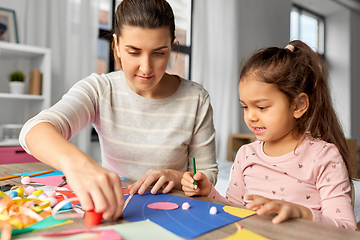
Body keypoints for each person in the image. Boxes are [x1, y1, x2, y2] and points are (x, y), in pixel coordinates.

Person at [20, 0, 217, 221]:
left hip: (177, 215)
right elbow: (32, 131)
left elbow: (207, 174)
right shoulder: (100, 89)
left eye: (159, 53)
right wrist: (80, 165)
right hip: (119, 210)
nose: (146, 68)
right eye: (133, 52)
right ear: (116, 45)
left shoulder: (196, 98)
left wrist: (177, 176)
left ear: (171, 46)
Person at [181, 40, 357, 230]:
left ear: (298, 106)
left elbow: (346, 229)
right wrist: (209, 192)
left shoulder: (323, 156)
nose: (251, 116)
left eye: (262, 107)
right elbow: (234, 210)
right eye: (245, 106)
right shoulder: (245, 154)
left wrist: (300, 213)